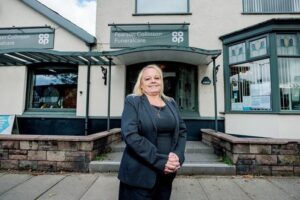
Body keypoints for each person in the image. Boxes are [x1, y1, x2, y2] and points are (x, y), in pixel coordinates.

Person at [118, 64, 187, 200]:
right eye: (147, 79)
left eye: (157, 78)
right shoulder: (133, 101)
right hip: (138, 175)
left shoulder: (171, 102)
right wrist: (161, 161)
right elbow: (130, 134)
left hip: (166, 175)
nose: (153, 81)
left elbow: (182, 131)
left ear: (161, 81)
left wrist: (178, 157)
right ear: (141, 84)